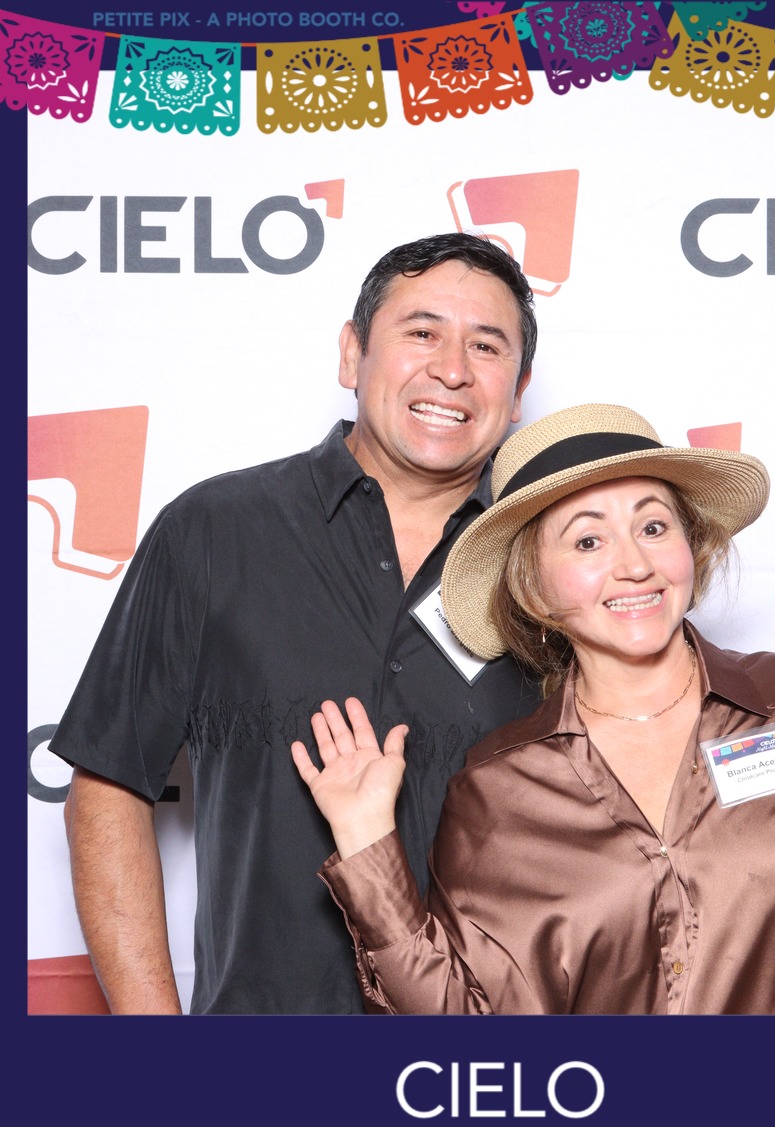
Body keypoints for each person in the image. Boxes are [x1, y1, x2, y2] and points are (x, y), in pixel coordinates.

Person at [293, 403, 775, 1015]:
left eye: (653, 526)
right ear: (533, 588)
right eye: (588, 541)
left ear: (690, 549)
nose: (635, 564)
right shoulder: (499, 790)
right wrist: (366, 842)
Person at [49, 232, 543, 1015]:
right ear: (352, 355)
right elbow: (109, 782)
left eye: (486, 346)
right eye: (421, 333)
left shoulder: (556, 563)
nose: (452, 369)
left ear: (517, 393)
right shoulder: (216, 530)